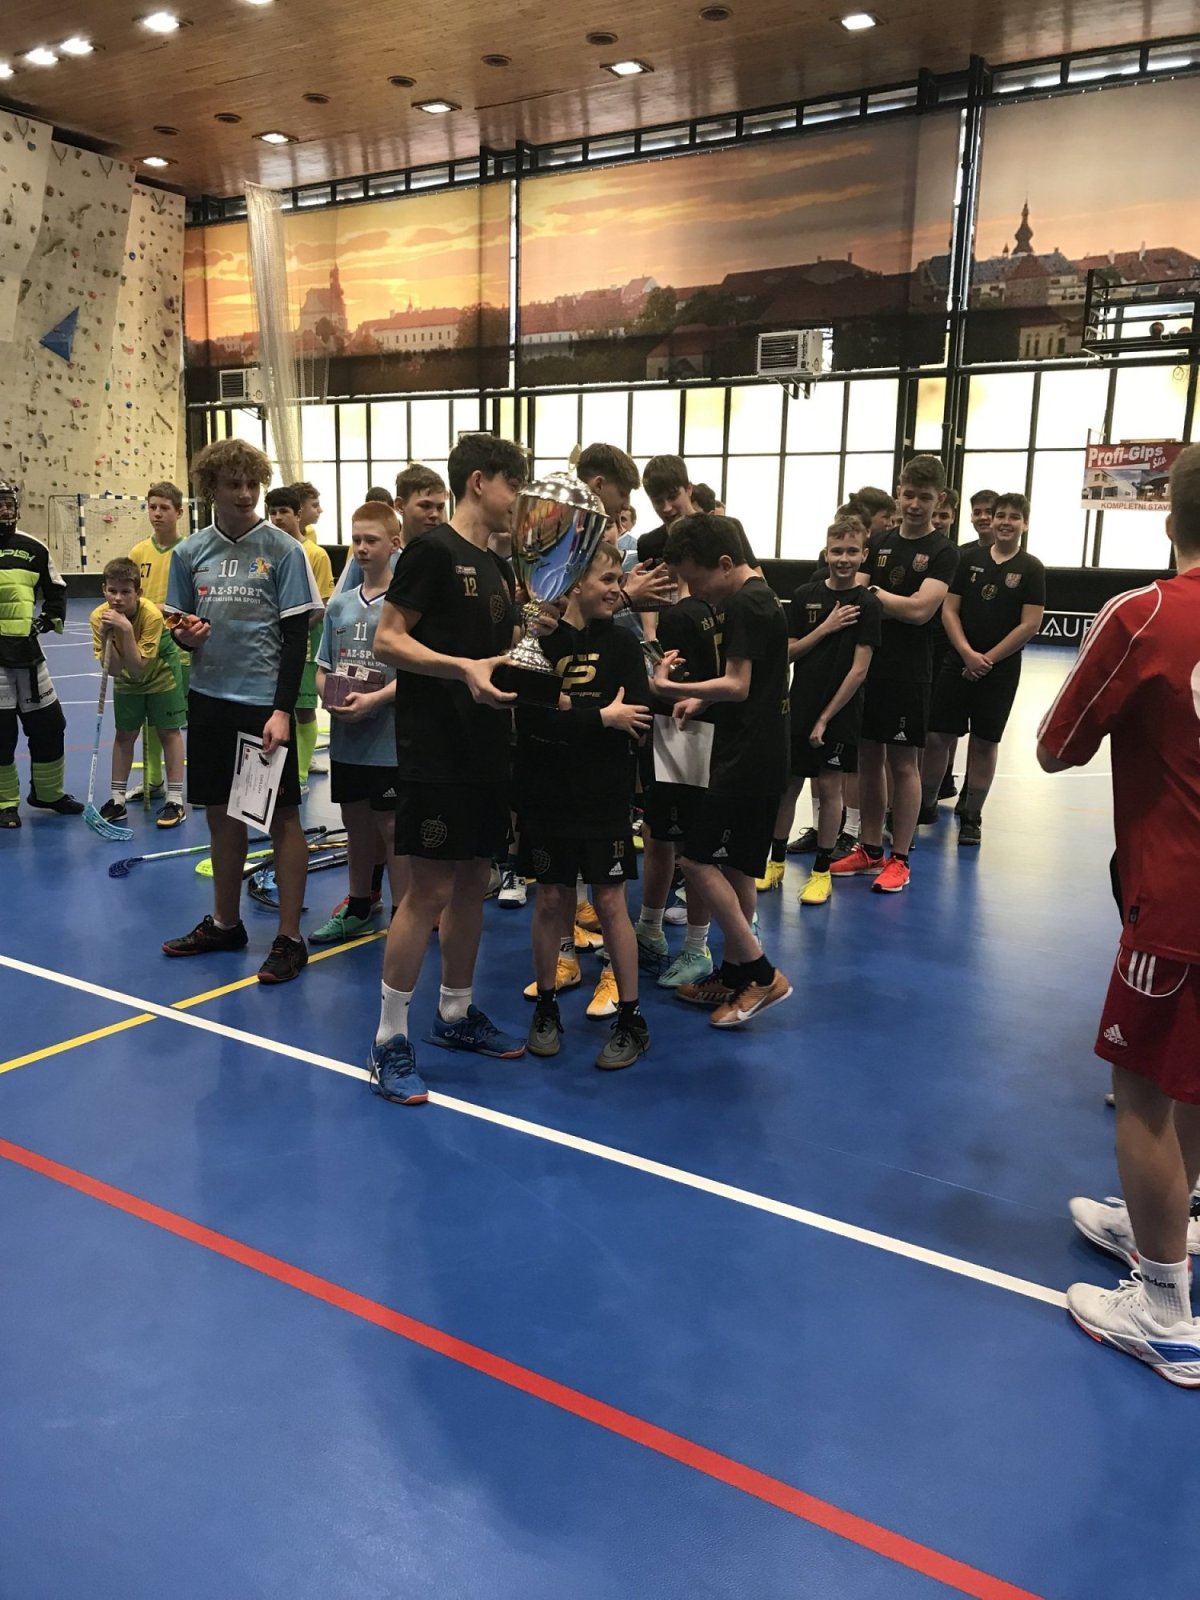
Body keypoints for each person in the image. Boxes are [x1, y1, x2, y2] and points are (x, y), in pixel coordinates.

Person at [1038, 443, 1200, 1387]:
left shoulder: (1144, 614)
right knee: (1195, 1070)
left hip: (1177, 899)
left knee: (1140, 1089)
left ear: (1170, 519)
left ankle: (1166, 1310)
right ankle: (1176, 1221)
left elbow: (1057, 745)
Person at [366, 432, 529, 1107]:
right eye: (513, 485)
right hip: (436, 749)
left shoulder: (496, 563)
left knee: (472, 883)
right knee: (428, 891)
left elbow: (493, 650)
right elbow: (388, 639)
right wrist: (461, 669)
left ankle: (455, 1012)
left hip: (487, 747)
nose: (518, 499)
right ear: (480, 482)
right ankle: (388, 1039)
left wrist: (533, 636)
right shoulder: (432, 550)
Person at [162, 440, 323, 983]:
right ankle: (226, 924)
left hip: (262, 707)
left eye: (252, 483)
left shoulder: (283, 550)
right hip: (209, 701)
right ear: (211, 488)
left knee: (282, 819)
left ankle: (289, 938)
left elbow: (296, 637)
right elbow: (179, 628)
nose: (246, 493)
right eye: (234, 484)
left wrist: (282, 710)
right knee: (221, 816)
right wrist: (186, 636)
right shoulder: (190, 553)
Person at [651, 514, 792, 1028]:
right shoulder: (763, 596)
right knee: (736, 867)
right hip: (762, 749)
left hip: (746, 757)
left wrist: (673, 689)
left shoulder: (742, 605)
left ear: (726, 563)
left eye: (697, 580)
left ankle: (760, 971)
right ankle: (733, 975)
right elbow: (759, 680)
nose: (695, 593)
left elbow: (738, 684)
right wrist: (703, 703)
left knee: (695, 860)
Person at [518, 542, 653, 1069]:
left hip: (604, 795)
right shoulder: (541, 643)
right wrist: (599, 717)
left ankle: (632, 1018)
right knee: (551, 899)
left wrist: (569, 710)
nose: (619, 589)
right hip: (547, 792)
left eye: (620, 579)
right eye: (609, 579)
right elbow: (532, 720)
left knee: (612, 902)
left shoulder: (622, 642)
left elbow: (635, 716)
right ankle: (546, 1007)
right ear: (575, 584)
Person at [831, 454, 957, 894]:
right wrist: (880, 600)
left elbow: (921, 610)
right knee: (868, 759)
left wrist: (878, 597)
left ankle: (900, 857)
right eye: (909, 495)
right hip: (870, 666)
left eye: (925, 497)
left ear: (939, 499)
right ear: (898, 493)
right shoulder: (880, 540)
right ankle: (869, 849)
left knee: (903, 764)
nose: (916, 505)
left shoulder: (943, 551)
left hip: (910, 671)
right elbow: (854, 595)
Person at [921, 492, 1045, 844]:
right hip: (958, 663)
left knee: (984, 742)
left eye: (1014, 517)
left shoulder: (1031, 568)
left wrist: (986, 659)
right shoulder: (968, 559)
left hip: (1000, 670)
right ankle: (925, 805)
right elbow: (949, 610)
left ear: (1024, 524)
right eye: (1000, 515)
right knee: (938, 736)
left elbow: (1030, 624)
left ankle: (972, 815)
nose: (1005, 522)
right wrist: (966, 653)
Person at [310, 502, 405, 944]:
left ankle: (405, 914)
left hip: (389, 741)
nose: (362, 548)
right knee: (356, 824)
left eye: (372, 540)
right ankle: (360, 905)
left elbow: (415, 675)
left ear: (394, 543)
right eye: (357, 540)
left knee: (392, 827)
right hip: (348, 740)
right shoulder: (341, 605)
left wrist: (375, 700)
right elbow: (323, 667)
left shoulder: (404, 608)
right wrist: (330, 698)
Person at [776, 517, 880, 906]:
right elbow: (787, 653)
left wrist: (825, 717)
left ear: (863, 555)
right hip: (799, 704)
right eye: (837, 551)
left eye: (852, 551)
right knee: (788, 784)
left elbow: (859, 670)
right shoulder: (805, 595)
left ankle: (821, 871)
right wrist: (826, 626)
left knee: (831, 786)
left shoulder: (868, 603)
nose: (844, 558)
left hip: (841, 713)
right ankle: (775, 862)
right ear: (826, 553)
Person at [0, 479, 82, 828]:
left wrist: (47, 620)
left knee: (50, 725)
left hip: (28, 655)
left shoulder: (34, 548)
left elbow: (56, 588)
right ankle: (5, 803)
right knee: (1, 734)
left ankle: (47, 793)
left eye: (8, 503)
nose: (5, 510)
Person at [90, 557, 187, 828]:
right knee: (124, 734)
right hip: (126, 679)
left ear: (138, 592)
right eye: (112, 590)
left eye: (125, 592)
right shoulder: (98, 617)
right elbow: (115, 669)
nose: (117, 598)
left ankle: (175, 800)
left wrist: (124, 628)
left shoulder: (151, 615)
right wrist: (108, 635)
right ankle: (117, 800)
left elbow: (139, 667)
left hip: (160, 674)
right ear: (104, 590)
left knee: (168, 732)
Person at [128, 481, 188, 803]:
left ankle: (195, 787)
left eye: (164, 508)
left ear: (179, 512)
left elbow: (195, 600)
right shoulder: (138, 552)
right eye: (152, 507)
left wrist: (165, 610)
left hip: (181, 648)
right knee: (151, 720)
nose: (157, 513)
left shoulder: (189, 551)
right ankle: (153, 782)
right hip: (147, 648)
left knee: (180, 721)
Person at [335, 464, 448, 596]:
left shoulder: (448, 556)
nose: (435, 514)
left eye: (440, 507)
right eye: (425, 506)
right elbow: (340, 605)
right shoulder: (369, 555)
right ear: (400, 506)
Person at [287, 483, 335, 785]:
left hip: (305, 642)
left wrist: (294, 629)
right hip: (276, 645)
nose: (319, 511)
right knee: (283, 708)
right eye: (314, 505)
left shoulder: (315, 552)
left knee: (304, 707)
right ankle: (295, 761)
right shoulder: (272, 549)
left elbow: (323, 603)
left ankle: (300, 773)